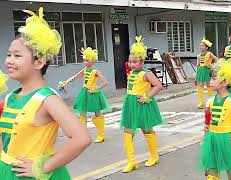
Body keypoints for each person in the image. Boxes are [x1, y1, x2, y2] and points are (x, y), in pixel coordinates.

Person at [0, 7, 91, 179]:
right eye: (8, 55)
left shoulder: (47, 99)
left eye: (17, 56)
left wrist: (44, 166)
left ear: (39, 62)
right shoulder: (11, 97)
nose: (9, 61)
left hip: (31, 175)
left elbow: (82, 138)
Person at [120, 36, 163, 173]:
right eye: (130, 61)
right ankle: (132, 161)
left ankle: (154, 155)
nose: (132, 64)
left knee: (147, 130)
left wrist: (147, 96)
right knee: (127, 132)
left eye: (135, 62)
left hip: (142, 104)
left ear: (142, 61)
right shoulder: (131, 72)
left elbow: (158, 86)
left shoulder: (146, 73)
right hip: (130, 105)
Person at [58, 47, 110, 143]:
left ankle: (101, 135)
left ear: (93, 61)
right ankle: (83, 135)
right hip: (85, 92)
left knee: (97, 113)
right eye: (84, 60)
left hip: (93, 93)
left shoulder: (96, 71)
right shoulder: (85, 70)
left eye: (87, 60)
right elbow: (74, 77)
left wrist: (95, 89)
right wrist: (64, 83)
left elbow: (105, 82)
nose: (85, 62)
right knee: (82, 114)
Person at [195, 38, 218, 108]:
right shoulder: (198, 56)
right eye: (200, 46)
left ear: (206, 47)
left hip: (207, 70)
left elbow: (216, 59)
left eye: (202, 46)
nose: (201, 47)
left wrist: (213, 66)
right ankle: (201, 102)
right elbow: (198, 64)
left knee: (209, 85)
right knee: (200, 85)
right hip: (201, 71)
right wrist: (197, 70)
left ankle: (211, 102)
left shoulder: (209, 54)